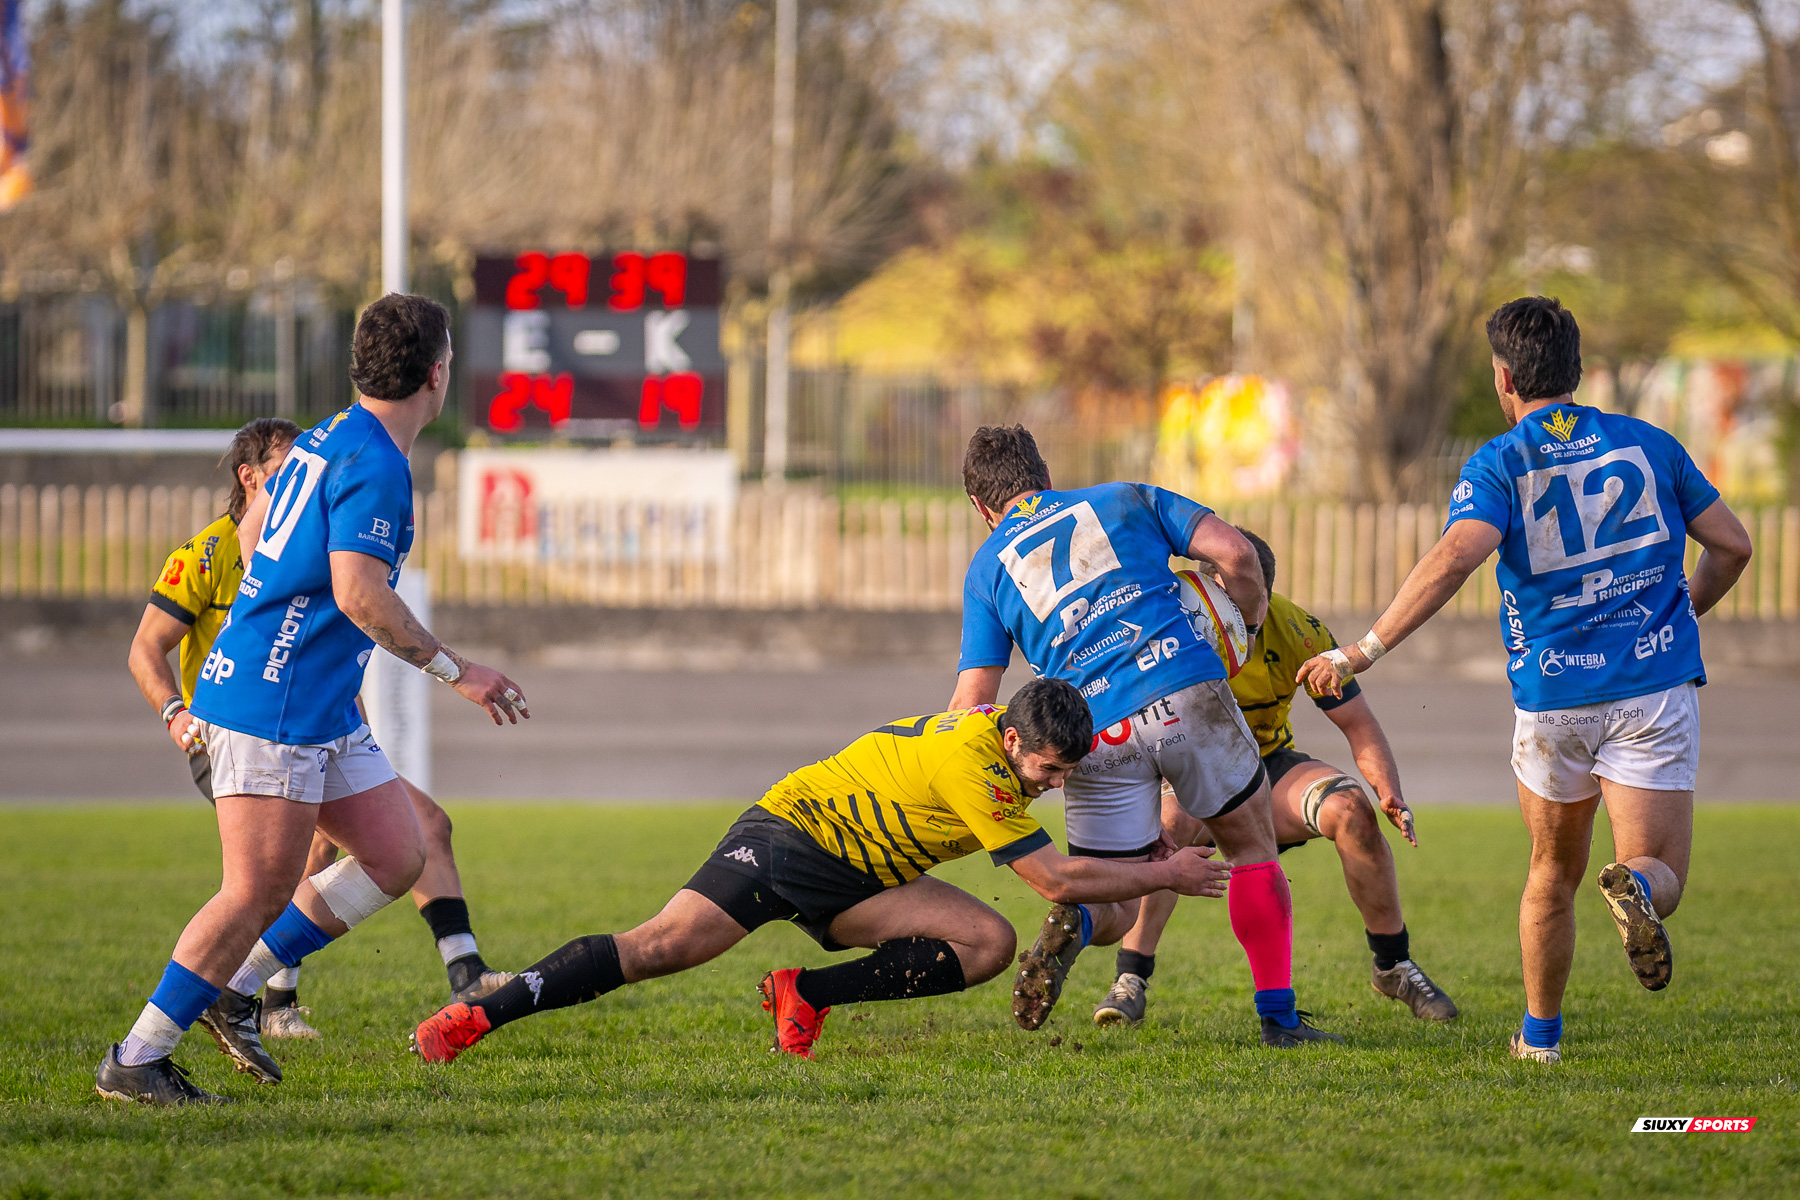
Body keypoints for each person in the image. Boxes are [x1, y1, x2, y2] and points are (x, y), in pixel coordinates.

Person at [96, 294, 531, 1106]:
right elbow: (358, 593)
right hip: (275, 702)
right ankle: (138, 1056)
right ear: (437, 375)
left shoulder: (331, 437)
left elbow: (270, 547)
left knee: (400, 854)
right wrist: (456, 670)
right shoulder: (374, 462)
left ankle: (239, 988)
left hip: (314, 701)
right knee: (253, 891)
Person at [1298, 296, 1752, 1064]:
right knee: (1657, 869)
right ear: (1578, 369)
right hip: (1651, 690)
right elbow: (1733, 546)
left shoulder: (1501, 463)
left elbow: (1456, 556)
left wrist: (1363, 650)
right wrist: (1679, 614)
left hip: (1552, 702)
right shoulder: (1649, 444)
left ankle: (1540, 1039)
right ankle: (1634, 890)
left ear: (1505, 379)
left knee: (1551, 870)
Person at [411, 678, 1230, 1065]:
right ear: (1014, 741)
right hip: (792, 837)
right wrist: (1167, 876)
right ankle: (478, 1018)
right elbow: (1056, 880)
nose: (1053, 786)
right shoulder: (976, 764)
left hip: (865, 874)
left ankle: (806, 992)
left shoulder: (1006, 739)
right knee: (658, 948)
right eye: (1050, 770)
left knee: (985, 943)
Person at [948, 426, 1341, 1048]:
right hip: (1185, 685)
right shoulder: (1124, 496)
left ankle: (1076, 918)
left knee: (1118, 896)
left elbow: (973, 706)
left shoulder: (985, 571)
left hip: (1092, 728)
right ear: (1045, 475)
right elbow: (1237, 555)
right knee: (1253, 850)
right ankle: (1279, 1019)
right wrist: (1241, 626)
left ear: (980, 507)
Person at [126, 420, 513, 1044]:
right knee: (268, 883)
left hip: (314, 715)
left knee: (409, 841)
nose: (297, 486)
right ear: (248, 479)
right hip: (245, 721)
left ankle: (252, 989)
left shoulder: (320, 513)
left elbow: (327, 620)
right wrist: (175, 711)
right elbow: (146, 648)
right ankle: (174, 1038)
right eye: (279, 476)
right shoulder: (205, 554)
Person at [1085, 529, 1457, 1028]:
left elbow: (1357, 721)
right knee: (1164, 837)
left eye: (1247, 605)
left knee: (1351, 810)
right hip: (1186, 770)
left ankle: (1394, 965)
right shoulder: (1161, 623)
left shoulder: (1299, 631)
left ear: (1264, 593)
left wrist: (1388, 791)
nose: (1237, 620)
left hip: (1264, 766)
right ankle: (1130, 979)